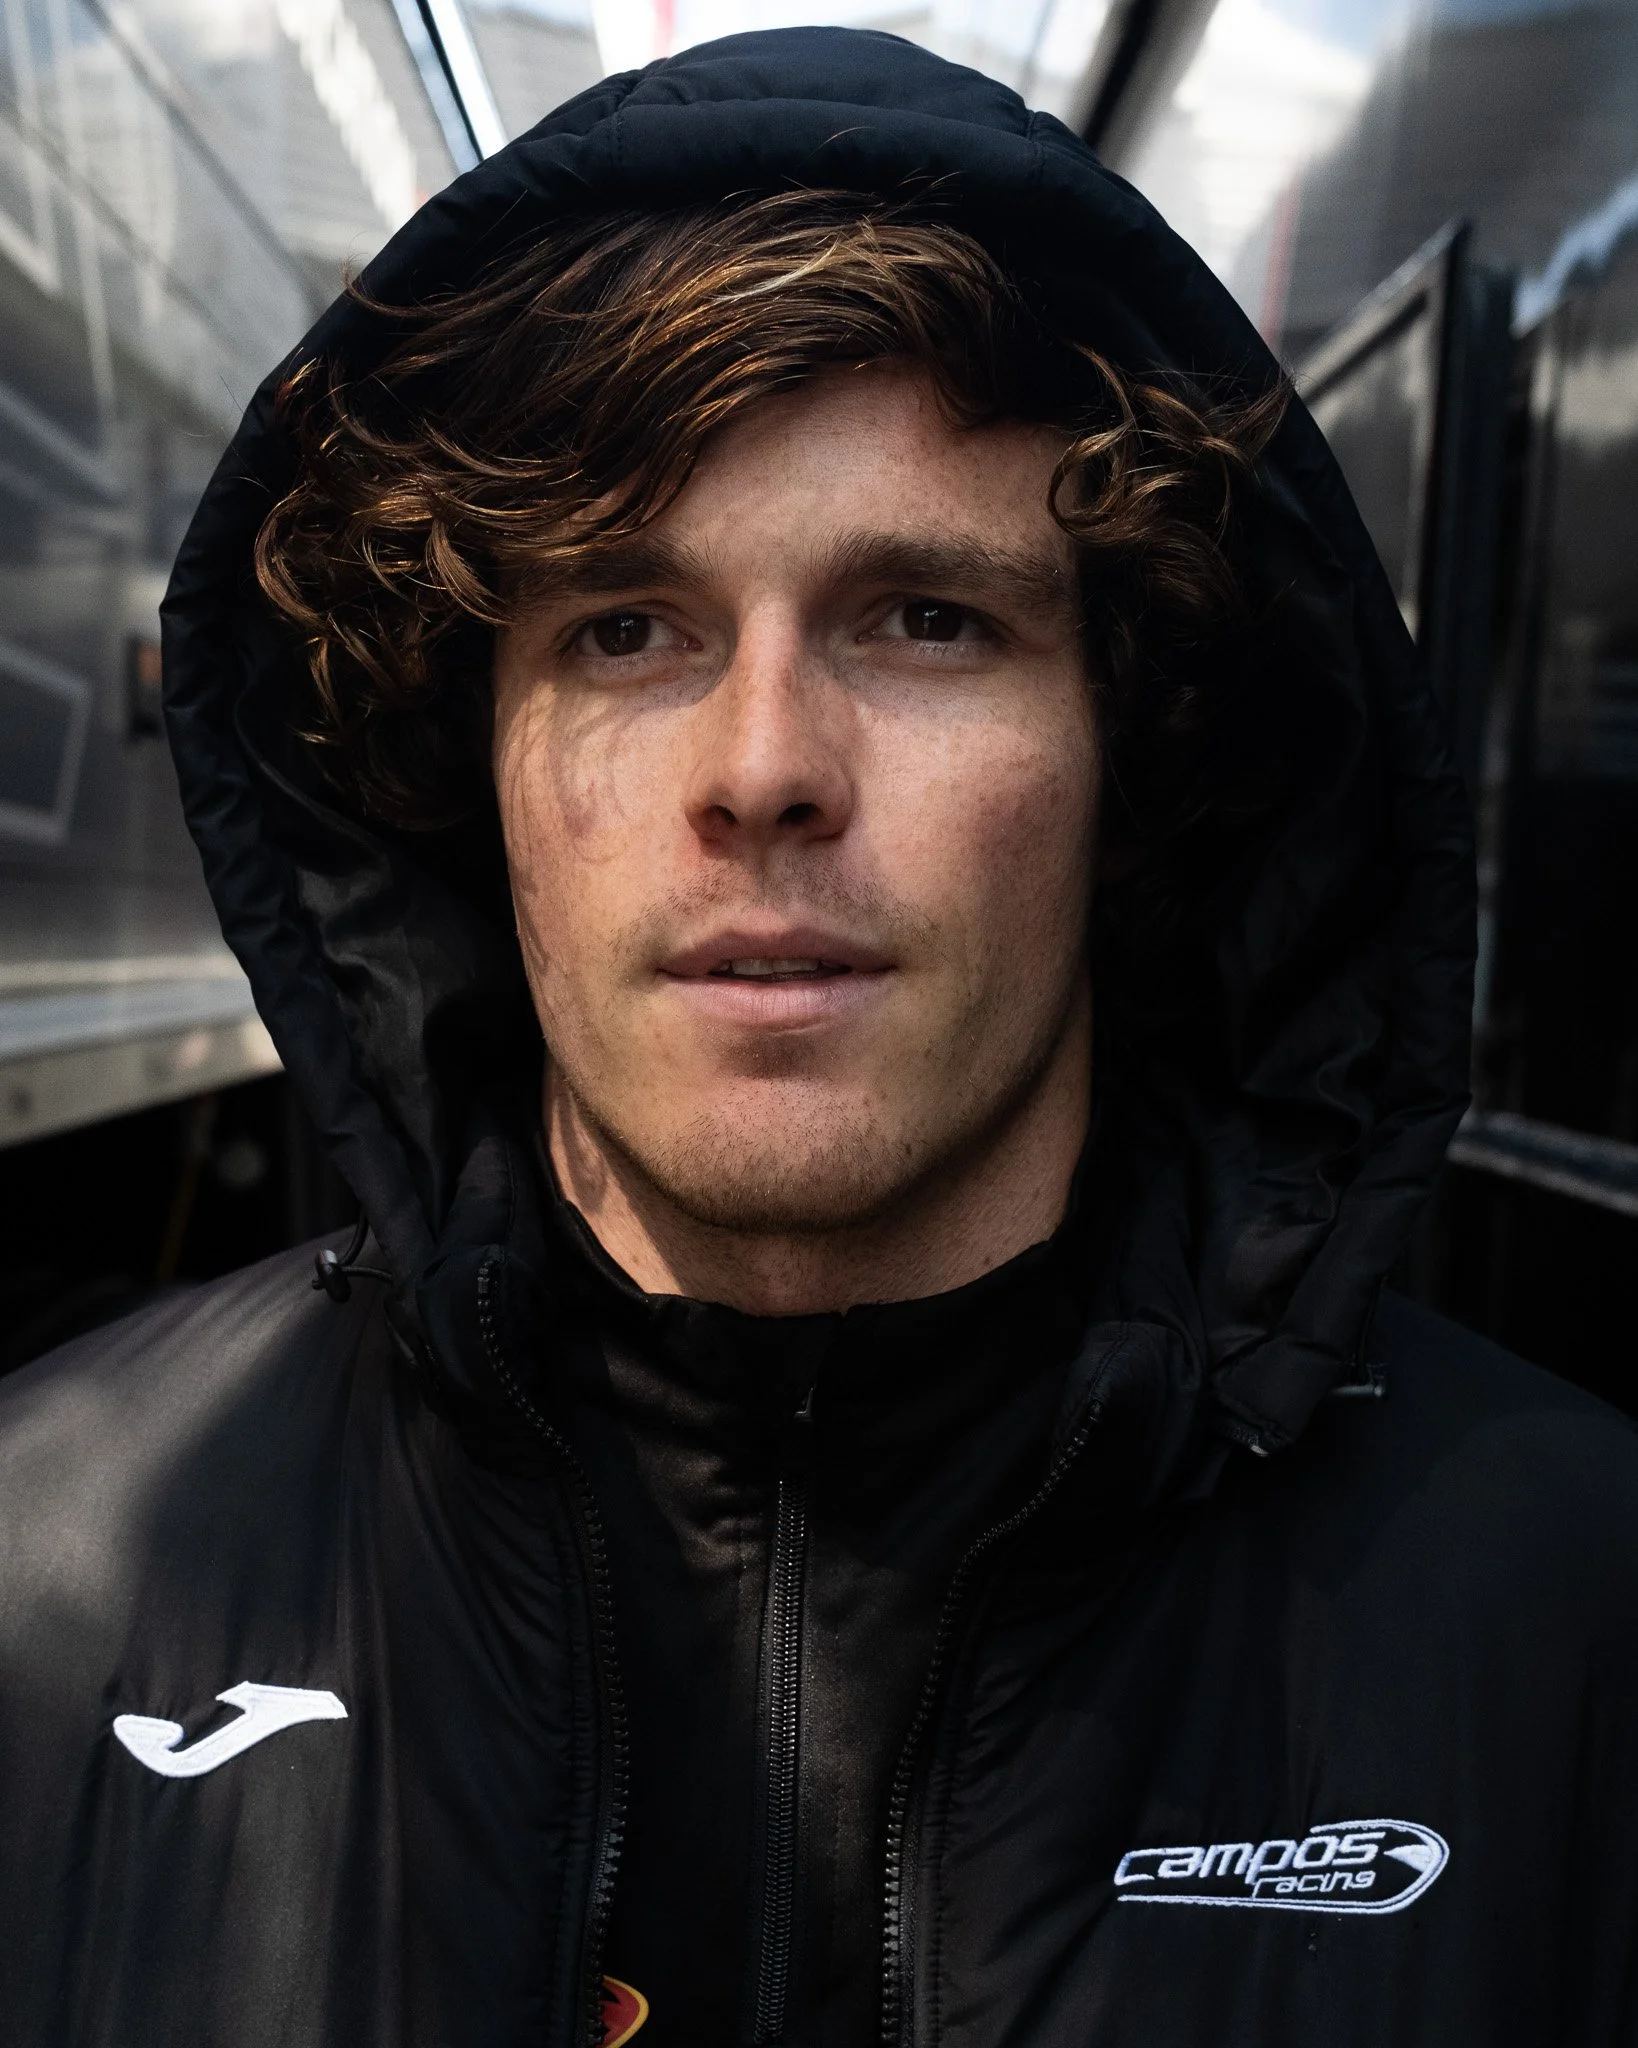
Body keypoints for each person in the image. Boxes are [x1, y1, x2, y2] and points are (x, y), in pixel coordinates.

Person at [1, 27, 1634, 2048]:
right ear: (470, 769)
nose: (764, 765)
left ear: (1129, 750)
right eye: (624, 628)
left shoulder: (1569, 1620)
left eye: (925, 619)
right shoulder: (50, 1575)